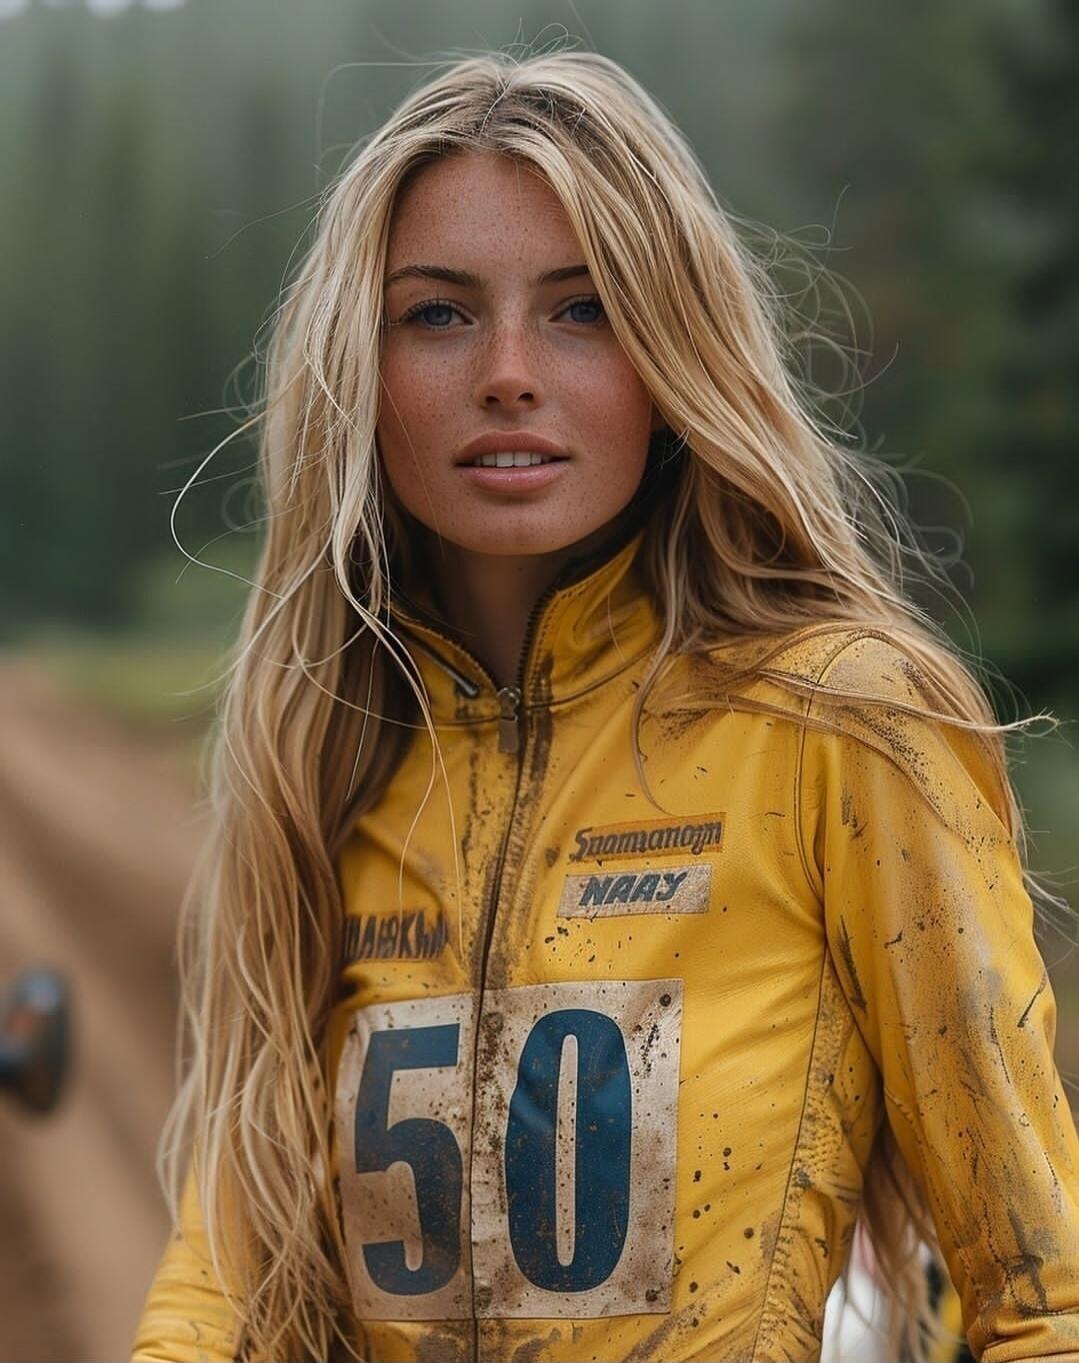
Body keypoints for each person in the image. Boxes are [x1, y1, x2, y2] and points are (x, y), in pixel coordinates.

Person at [131, 49, 1079, 1363]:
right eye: (439, 315)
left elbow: (1043, 1295)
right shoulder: (326, 755)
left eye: (582, 311)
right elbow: (221, 1275)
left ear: (670, 352)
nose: (510, 372)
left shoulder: (843, 727)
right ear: (363, 363)